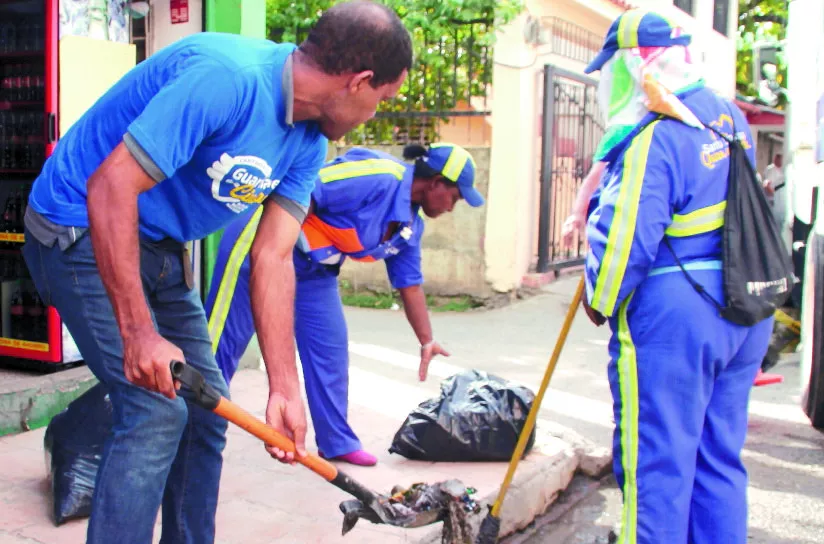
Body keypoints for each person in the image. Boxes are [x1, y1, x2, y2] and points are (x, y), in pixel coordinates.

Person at [20, 2, 412, 542]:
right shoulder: (225, 80)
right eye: (381, 100)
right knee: (156, 412)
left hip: (157, 245)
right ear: (359, 81)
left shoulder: (308, 142)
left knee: (207, 414)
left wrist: (284, 388)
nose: (375, 114)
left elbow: (273, 257)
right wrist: (139, 333)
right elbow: (109, 188)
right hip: (76, 226)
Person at [580, 10, 773, 544]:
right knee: (717, 459)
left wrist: (599, 296)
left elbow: (625, 242)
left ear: (639, 63)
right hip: (741, 309)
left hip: (677, 320)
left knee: (657, 468)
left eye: (612, 70)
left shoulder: (655, 136)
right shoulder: (728, 117)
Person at [205, 142, 484, 466]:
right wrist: (274, 260)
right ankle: (196, 423)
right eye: (456, 196)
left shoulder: (409, 226)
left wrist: (426, 340)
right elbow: (306, 190)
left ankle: (336, 441)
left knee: (330, 350)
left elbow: (410, 285)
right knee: (223, 343)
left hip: (314, 271)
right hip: (264, 245)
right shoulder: (378, 175)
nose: (453, 206)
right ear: (437, 182)